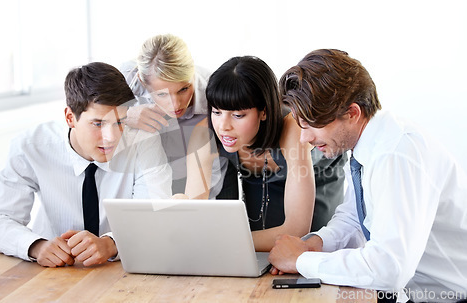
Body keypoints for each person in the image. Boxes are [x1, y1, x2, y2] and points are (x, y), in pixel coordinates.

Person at [268, 49, 467, 302]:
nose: (305, 138)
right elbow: (354, 219)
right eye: (301, 125)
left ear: (352, 113)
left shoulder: (395, 155)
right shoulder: (368, 146)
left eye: (312, 125)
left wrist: (302, 260)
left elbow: (388, 268)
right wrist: (315, 244)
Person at [0, 62, 171, 268]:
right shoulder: (30, 147)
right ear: (70, 118)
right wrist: (36, 246)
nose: (111, 137)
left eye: (120, 122)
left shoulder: (144, 143)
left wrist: (111, 243)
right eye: (98, 123)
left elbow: (155, 216)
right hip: (51, 271)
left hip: (119, 269)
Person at [185, 56, 315, 252]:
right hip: (253, 228)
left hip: (315, 197)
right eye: (217, 112)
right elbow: (193, 214)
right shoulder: (205, 133)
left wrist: (220, 242)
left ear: (264, 111)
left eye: (238, 115)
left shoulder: (293, 129)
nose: (223, 127)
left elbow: (296, 230)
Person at [119, 34, 222, 196]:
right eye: (162, 94)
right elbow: (90, 117)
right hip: (147, 179)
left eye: (183, 89)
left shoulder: (214, 88)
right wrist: (125, 116)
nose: (175, 105)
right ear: (142, 81)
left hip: (202, 174)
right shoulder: (123, 79)